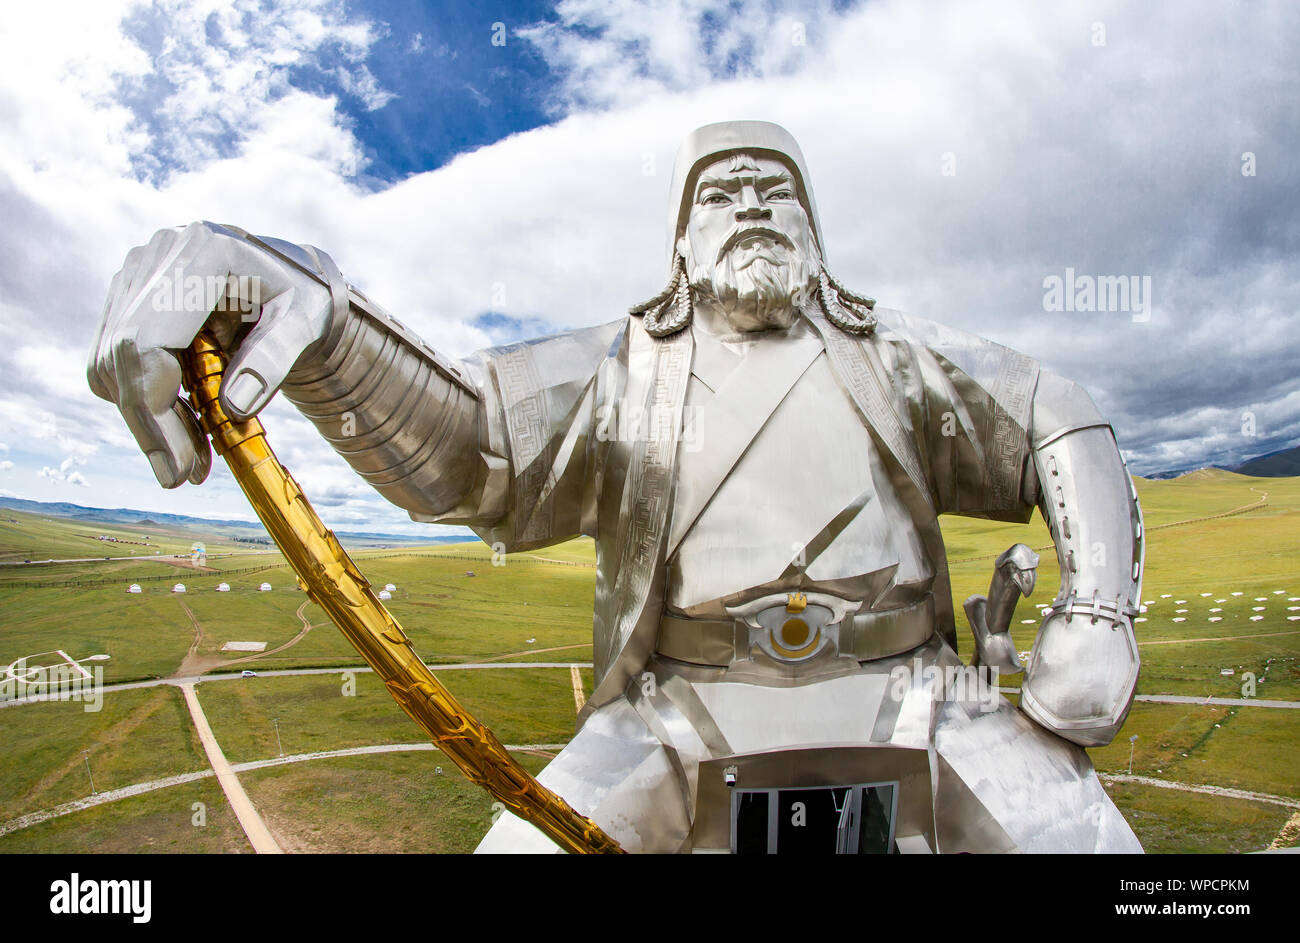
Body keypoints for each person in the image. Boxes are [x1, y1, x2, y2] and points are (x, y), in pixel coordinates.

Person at [88, 121, 1145, 853]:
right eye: (720, 195)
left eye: (776, 192)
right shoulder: (621, 367)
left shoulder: (897, 353)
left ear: (818, 237)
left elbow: (1057, 409)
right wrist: (319, 316)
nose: (750, 206)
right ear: (681, 245)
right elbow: (467, 453)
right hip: (675, 704)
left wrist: (1097, 608)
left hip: (922, 693)